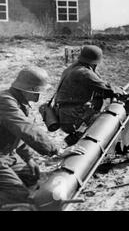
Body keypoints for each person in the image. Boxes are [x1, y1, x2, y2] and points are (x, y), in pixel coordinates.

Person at [0, 67, 85, 208]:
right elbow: (26, 129)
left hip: (7, 154)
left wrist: (28, 159)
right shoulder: (5, 102)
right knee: (20, 197)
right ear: (30, 90)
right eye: (38, 91)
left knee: (34, 178)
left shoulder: (18, 102)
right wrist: (56, 151)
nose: (39, 96)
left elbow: (18, 135)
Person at [54, 45, 126, 146]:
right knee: (106, 120)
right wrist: (119, 91)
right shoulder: (84, 72)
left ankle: (77, 135)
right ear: (95, 62)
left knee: (96, 102)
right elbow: (106, 89)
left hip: (62, 114)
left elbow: (98, 83)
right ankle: (80, 136)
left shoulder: (72, 68)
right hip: (72, 117)